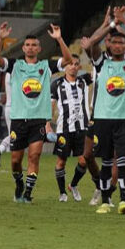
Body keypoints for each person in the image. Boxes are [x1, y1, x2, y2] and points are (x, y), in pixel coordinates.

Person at [0, 21, 73, 203]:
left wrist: (59, 39)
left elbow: (68, 60)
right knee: (15, 161)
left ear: (39, 48)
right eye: (27, 45)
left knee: (34, 156)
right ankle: (19, 183)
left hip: (38, 120)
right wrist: (0, 40)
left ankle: (28, 192)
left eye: (34, 45)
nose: (30, 48)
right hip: (19, 120)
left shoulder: (46, 66)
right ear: (23, 48)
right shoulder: (15, 65)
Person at [82, 6, 125, 215]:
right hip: (103, 118)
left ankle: (124, 201)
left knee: (123, 160)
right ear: (109, 43)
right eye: (114, 41)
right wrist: (110, 25)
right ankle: (106, 201)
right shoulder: (101, 64)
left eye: (121, 42)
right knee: (106, 161)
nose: (118, 45)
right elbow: (90, 44)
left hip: (124, 119)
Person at [51, 54, 94, 202]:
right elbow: (50, 105)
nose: (73, 67)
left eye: (76, 64)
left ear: (79, 67)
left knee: (84, 161)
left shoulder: (84, 81)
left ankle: (73, 185)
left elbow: (98, 70)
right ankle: (62, 192)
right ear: (65, 66)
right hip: (64, 128)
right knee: (61, 162)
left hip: (82, 128)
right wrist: (47, 124)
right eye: (70, 64)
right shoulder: (56, 84)